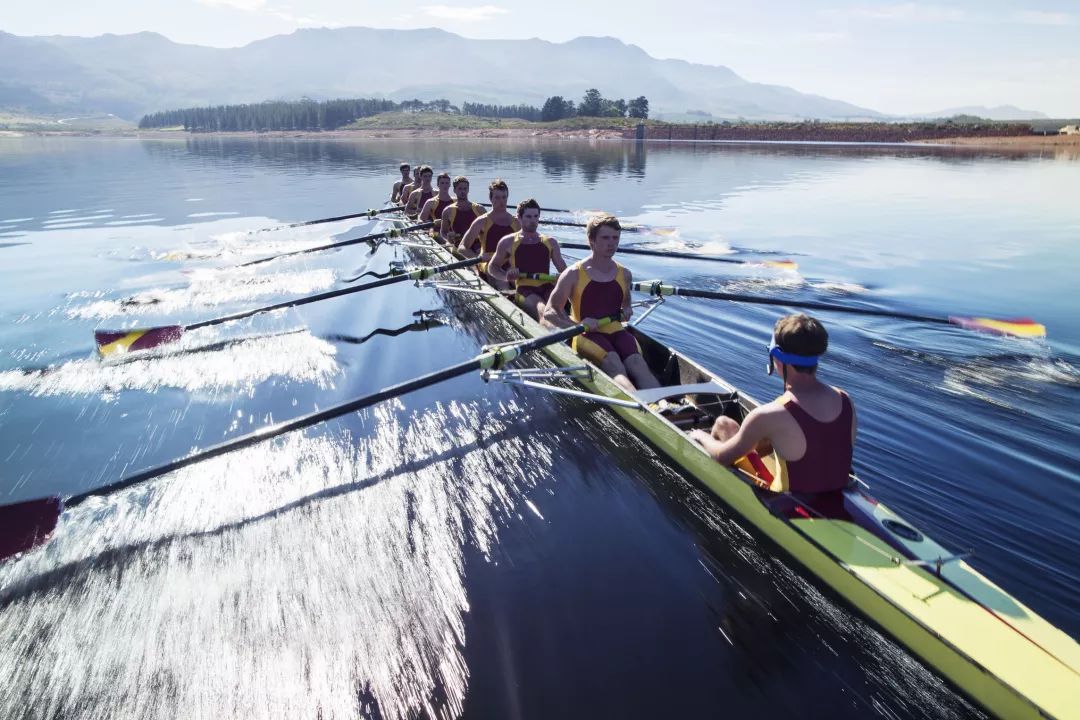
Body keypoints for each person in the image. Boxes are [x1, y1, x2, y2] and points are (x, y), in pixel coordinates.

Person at [689, 313, 856, 494]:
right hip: (835, 492)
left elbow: (721, 457)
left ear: (777, 359)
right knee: (725, 425)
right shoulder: (845, 399)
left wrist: (699, 435)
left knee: (721, 428)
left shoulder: (770, 415)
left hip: (786, 501)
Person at [541, 214, 660, 393]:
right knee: (614, 363)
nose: (611, 243)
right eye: (605, 238)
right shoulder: (573, 274)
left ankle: (662, 404)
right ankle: (642, 405)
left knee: (638, 363)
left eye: (615, 238)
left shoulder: (625, 274)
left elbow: (626, 304)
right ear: (591, 240)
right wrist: (576, 326)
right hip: (585, 335)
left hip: (617, 331)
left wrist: (627, 310)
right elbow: (550, 312)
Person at [487, 198, 568, 319]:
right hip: (524, 290)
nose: (533, 221)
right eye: (528, 217)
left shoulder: (551, 242)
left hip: (547, 287)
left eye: (536, 216)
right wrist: (506, 277)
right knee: (542, 310)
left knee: (560, 312)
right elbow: (492, 267)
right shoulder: (508, 241)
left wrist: (561, 278)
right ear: (519, 218)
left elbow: (565, 271)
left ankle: (569, 327)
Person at [457, 179, 520, 261]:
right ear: (490, 199)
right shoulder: (481, 221)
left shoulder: (516, 222)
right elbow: (462, 248)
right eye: (497, 198)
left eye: (504, 197)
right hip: (487, 264)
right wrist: (477, 258)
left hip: (511, 265)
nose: (501, 201)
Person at [439, 176, 485, 246]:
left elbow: (489, 230)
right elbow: (443, 232)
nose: (463, 191)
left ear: (468, 190)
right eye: (460, 189)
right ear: (454, 190)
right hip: (458, 244)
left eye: (465, 189)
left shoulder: (479, 209)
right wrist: (447, 241)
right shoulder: (448, 211)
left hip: (478, 244)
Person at [419, 172, 454, 237]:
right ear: (438, 184)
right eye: (442, 183)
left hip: (453, 233)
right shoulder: (430, 202)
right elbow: (421, 221)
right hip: (436, 233)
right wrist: (431, 223)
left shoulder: (455, 201)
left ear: (449, 184)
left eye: (447, 183)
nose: (445, 185)